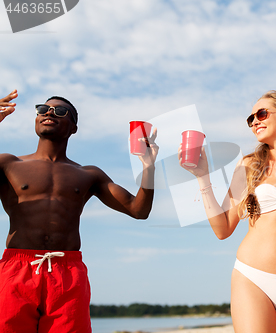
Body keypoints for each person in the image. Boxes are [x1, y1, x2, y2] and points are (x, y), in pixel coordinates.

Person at [179, 91, 276, 333]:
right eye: (251, 118)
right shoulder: (249, 165)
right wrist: (203, 177)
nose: (254, 121)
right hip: (252, 279)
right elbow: (222, 229)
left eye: (262, 114)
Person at [0, 89, 159, 333]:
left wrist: (149, 167)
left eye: (60, 111)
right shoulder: (9, 164)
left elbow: (138, 210)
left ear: (74, 127)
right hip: (17, 271)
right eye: (43, 109)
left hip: (67, 274)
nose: (49, 112)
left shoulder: (88, 174)